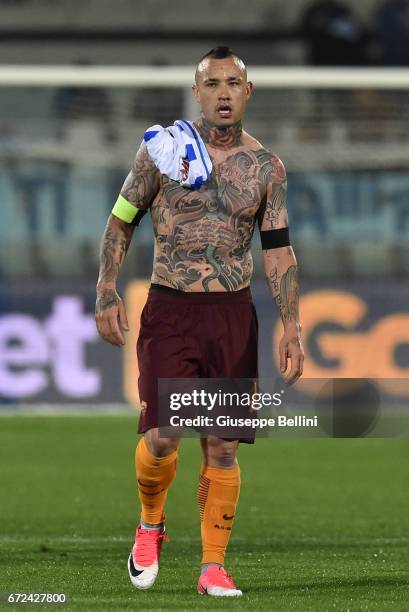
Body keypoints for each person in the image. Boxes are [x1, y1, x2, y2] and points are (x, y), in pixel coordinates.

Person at [95, 46, 304, 598]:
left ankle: (213, 566)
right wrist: (106, 289)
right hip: (170, 308)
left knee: (223, 445)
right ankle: (149, 524)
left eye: (233, 83)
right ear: (197, 91)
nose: (223, 94)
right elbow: (120, 222)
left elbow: (278, 253)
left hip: (232, 314)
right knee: (164, 436)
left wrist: (292, 325)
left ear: (249, 91)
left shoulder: (267, 168)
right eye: (212, 83)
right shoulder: (163, 154)